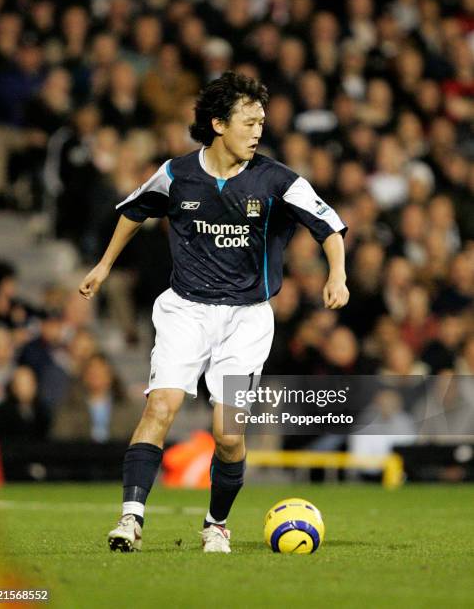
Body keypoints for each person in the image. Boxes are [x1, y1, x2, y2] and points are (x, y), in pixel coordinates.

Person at [79, 72, 349, 553]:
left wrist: (337, 275)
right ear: (219, 124)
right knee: (161, 405)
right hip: (186, 309)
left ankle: (216, 523)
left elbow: (329, 227)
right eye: (249, 122)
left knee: (228, 436)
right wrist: (102, 266)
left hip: (246, 318)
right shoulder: (176, 174)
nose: (258, 131)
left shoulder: (277, 180)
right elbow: (134, 211)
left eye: (261, 122)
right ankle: (130, 519)